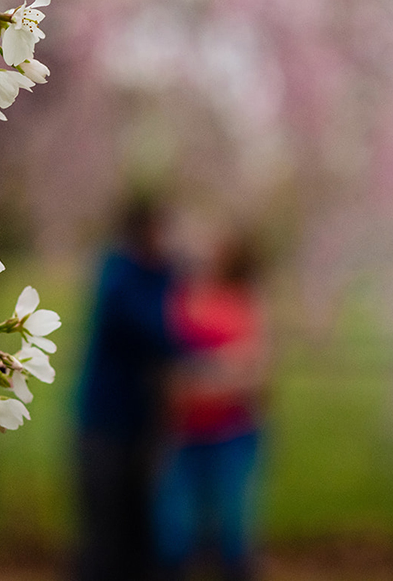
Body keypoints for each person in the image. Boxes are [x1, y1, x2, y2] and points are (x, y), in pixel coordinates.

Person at [153, 230, 267, 581]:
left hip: (232, 433)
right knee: (175, 530)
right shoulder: (182, 295)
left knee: (232, 529)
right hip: (184, 432)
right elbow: (163, 358)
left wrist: (203, 377)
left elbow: (257, 369)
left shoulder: (246, 300)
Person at [75, 198, 179, 580]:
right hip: (105, 422)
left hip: (146, 420)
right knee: (105, 526)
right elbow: (152, 327)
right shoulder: (118, 274)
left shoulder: (166, 273)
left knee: (143, 528)